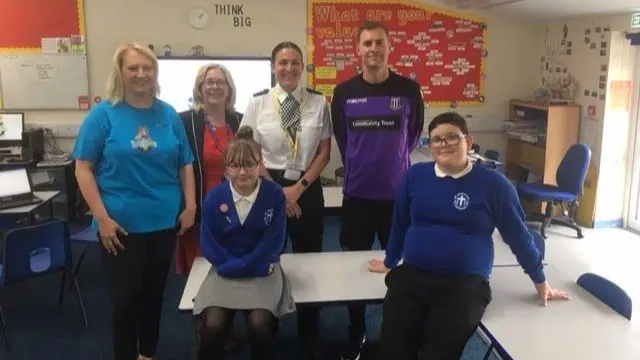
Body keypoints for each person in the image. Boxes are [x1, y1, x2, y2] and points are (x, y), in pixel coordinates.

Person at [369, 112, 571, 360]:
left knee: (438, 353)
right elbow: (399, 223)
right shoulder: (415, 176)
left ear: (468, 140)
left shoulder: (494, 185)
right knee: (393, 348)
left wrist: (541, 281)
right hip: (413, 276)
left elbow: (520, 237)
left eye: (452, 137)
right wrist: (390, 261)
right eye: (437, 139)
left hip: (464, 285)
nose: (444, 144)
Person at [73, 43, 195, 360]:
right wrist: (101, 219)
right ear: (121, 72)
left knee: (154, 295)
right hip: (120, 225)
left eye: (147, 68)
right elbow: (83, 169)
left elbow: (185, 162)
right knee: (125, 300)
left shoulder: (168, 113)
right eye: (133, 68)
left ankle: (148, 354)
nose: (141, 74)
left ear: (155, 72)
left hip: (164, 221)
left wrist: (191, 205)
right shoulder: (103, 116)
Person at [330, 20, 424, 360]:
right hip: (356, 197)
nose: (373, 49)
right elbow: (343, 140)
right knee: (355, 269)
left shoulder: (409, 90)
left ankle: (396, 334)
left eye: (379, 42)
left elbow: (412, 137)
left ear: (389, 47)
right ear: (358, 49)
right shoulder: (343, 93)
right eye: (367, 43)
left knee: (400, 270)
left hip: (398, 200)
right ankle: (357, 332)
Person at [240, 41, 332, 359]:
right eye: (282, 62)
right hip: (268, 187)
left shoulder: (319, 103)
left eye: (295, 62)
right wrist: (279, 192)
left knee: (310, 260)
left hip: (307, 187)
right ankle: (268, 327)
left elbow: (324, 152)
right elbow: (249, 152)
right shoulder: (257, 103)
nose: (289, 68)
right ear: (273, 67)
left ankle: (310, 331)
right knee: (268, 258)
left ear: (302, 66)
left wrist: (298, 188)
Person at [193, 126, 295, 360]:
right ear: (226, 168)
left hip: (263, 267)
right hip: (226, 266)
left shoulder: (275, 194)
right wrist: (232, 266)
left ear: (260, 165)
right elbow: (209, 244)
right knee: (214, 325)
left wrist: (242, 266)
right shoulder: (214, 198)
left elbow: (275, 242)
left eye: (249, 164)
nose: (242, 172)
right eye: (235, 166)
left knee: (260, 325)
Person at [178, 63, 243, 275]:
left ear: (229, 89)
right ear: (200, 88)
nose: (215, 87)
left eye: (220, 82)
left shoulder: (240, 121)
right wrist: (189, 206)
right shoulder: (186, 121)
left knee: (234, 266)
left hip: (238, 207)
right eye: (209, 82)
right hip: (201, 206)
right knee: (202, 274)